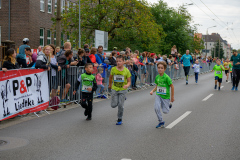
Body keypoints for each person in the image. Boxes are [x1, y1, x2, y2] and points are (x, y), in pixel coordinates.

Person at [150, 61, 174, 128]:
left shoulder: (167, 77)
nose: (160, 69)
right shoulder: (157, 77)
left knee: (165, 111)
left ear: (164, 69)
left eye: (161, 68)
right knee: (156, 108)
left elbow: (172, 86)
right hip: (158, 95)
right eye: (159, 68)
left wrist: (172, 97)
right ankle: (161, 122)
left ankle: (169, 104)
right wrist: (152, 91)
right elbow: (157, 86)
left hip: (166, 96)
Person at [108, 55, 131, 125]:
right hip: (115, 89)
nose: (118, 63)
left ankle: (119, 118)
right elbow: (110, 78)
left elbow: (129, 81)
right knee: (113, 105)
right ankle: (121, 99)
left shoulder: (126, 71)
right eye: (117, 61)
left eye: (120, 61)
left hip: (123, 90)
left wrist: (127, 85)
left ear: (123, 62)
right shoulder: (113, 69)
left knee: (121, 105)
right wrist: (110, 85)